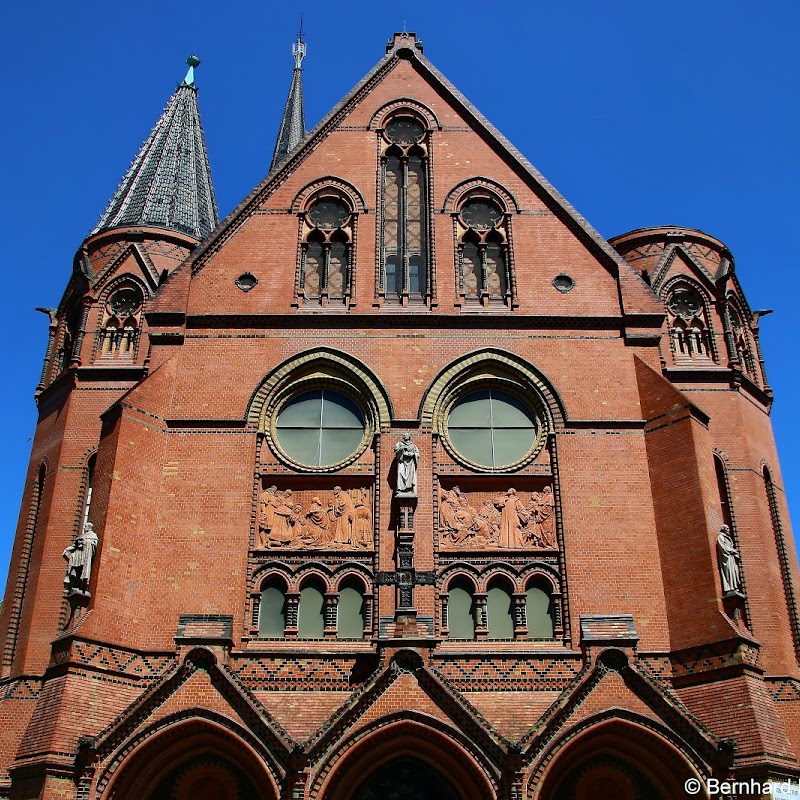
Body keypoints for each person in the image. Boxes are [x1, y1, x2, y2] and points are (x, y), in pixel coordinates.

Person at [63, 522, 99, 596]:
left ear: (89, 527)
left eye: (85, 526)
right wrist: (67, 550)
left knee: (82, 571)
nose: (84, 528)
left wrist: (86, 542)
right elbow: (74, 546)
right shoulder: (82, 536)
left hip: (84, 557)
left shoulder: (92, 535)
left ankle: (81, 586)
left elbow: (94, 544)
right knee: (73, 571)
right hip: (77, 557)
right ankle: (71, 585)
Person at [717, 524, 742, 593]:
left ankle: (734, 586)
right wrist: (732, 551)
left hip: (731, 557)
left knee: (734, 571)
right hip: (727, 557)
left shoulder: (727, 537)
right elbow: (723, 547)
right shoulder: (721, 537)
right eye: (727, 529)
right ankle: (730, 587)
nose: (729, 530)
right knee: (729, 571)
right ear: (723, 529)